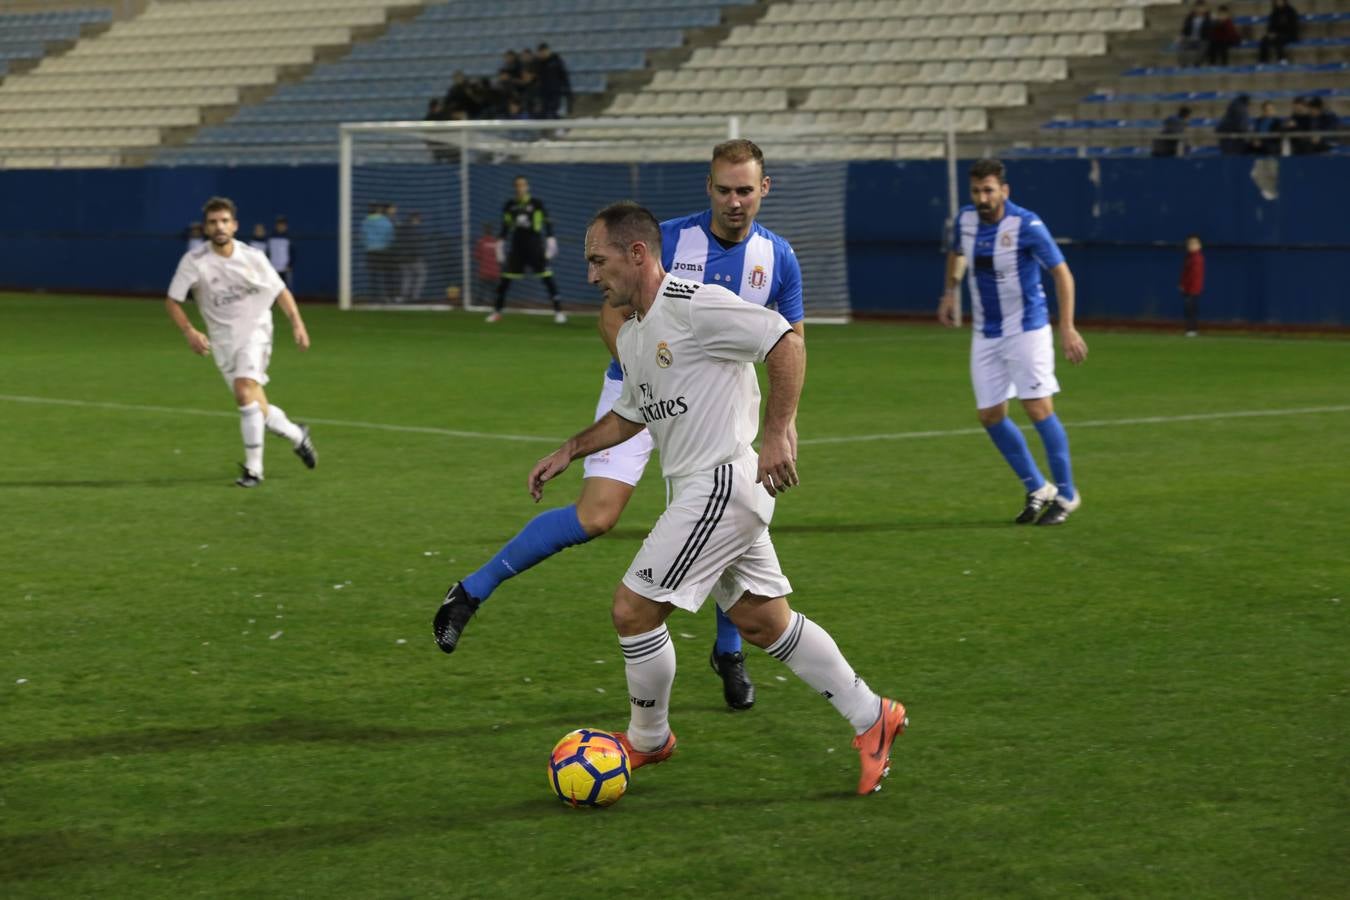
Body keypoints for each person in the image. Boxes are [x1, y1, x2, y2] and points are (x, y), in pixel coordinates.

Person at [515, 200, 906, 794]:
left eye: (599, 261)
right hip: (708, 491)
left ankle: (648, 739)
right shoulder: (640, 333)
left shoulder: (694, 304)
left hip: (722, 483)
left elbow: (785, 342)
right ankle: (874, 716)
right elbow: (630, 414)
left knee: (633, 609)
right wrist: (570, 449)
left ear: (638, 254)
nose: (592, 276)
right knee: (762, 620)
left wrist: (776, 434)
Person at [433, 140, 807, 713]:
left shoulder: (778, 258)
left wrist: (784, 424)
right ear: (707, 188)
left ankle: (729, 651)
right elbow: (614, 313)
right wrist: (651, 377)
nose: (735, 201)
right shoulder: (666, 240)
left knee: (721, 513)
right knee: (597, 516)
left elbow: (790, 340)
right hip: (638, 391)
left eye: (745, 190)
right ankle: (471, 591)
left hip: (716, 405)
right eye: (724, 189)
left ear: (764, 190)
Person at [937, 158, 1088, 526]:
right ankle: (1038, 487)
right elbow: (957, 253)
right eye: (976, 191)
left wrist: (1066, 327)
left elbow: (1062, 274)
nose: (982, 197)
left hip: (1027, 330)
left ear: (1004, 190)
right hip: (986, 332)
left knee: (1037, 407)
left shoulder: (1027, 224)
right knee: (990, 414)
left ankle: (1067, 495)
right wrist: (950, 292)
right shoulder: (966, 220)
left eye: (989, 190)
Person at [164, 197, 317, 488]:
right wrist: (190, 331)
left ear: (234, 225)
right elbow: (172, 301)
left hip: (256, 333)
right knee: (255, 405)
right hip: (223, 343)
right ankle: (298, 435)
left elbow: (280, 290)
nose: (219, 227)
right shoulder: (194, 262)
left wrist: (297, 322)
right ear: (206, 228)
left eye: (224, 221)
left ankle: (253, 471)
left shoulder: (253, 257)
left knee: (243, 389)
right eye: (213, 222)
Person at [488, 176, 564, 323]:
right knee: (505, 280)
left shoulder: (537, 204)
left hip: (534, 246)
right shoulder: (509, 205)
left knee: (547, 278)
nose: (520, 188)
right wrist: (500, 244)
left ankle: (559, 312)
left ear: (527, 186)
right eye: (517, 185)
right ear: (514, 187)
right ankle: (497, 312)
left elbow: (547, 224)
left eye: (523, 185)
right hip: (517, 247)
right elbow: (505, 227)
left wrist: (551, 240)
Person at [362, 203, 395, 301]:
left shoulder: (365, 222)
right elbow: (390, 237)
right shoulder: (385, 222)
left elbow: (363, 236)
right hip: (384, 251)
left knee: (373, 275)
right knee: (387, 275)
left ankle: (374, 297)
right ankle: (389, 297)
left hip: (371, 251)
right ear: (379, 210)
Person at [396, 210, 428, 302]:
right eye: (418, 219)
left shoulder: (401, 228)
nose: (419, 222)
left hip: (402, 258)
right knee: (422, 274)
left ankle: (403, 296)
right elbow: (415, 245)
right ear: (415, 219)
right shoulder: (415, 230)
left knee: (407, 277)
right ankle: (414, 296)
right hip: (413, 257)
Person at [535, 42, 572, 119]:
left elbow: (563, 76)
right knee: (543, 113)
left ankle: (562, 127)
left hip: (556, 91)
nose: (542, 54)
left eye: (544, 51)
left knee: (554, 111)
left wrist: (566, 89)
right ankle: (546, 130)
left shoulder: (556, 61)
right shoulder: (538, 63)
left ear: (548, 51)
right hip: (544, 92)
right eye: (541, 52)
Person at [1179, 234, 1204, 337]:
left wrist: (1191, 287)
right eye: (1190, 243)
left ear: (1199, 246)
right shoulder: (1188, 258)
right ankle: (1190, 329)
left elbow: (1195, 275)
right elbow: (1185, 273)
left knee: (1191, 310)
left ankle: (1192, 330)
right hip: (1188, 288)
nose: (1191, 246)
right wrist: (1182, 284)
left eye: (1194, 243)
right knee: (1188, 310)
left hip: (1193, 289)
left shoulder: (1198, 258)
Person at [1178, 0, 1212, 67]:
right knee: (1181, 45)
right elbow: (1184, 29)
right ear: (1195, 8)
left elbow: (1209, 31)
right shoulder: (1189, 18)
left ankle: (1197, 64)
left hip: (1202, 40)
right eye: (1198, 8)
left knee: (1205, 46)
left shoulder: (1208, 18)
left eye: (1202, 8)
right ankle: (1183, 65)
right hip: (1190, 39)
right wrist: (1182, 36)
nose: (1200, 9)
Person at [474, 221, 500, 303]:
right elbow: (500, 258)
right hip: (494, 272)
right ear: (492, 231)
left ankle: (478, 305)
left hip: (484, 272)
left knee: (481, 291)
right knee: (495, 293)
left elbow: (477, 256)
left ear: (484, 231)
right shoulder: (496, 242)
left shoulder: (481, 242)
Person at [268, 215, 293, 290]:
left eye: (283, 225)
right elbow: (268, 252)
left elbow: (292, 253)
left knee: (286, 288)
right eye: (279, 224)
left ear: (286, 226)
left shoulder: (289, 238)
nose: (281, 226)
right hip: (273, 267)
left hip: (285, 268)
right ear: (276, 226)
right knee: (272, 288)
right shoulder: (270, 238)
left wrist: (290, 264)